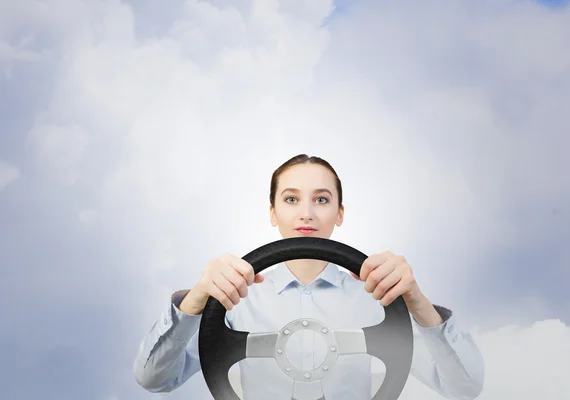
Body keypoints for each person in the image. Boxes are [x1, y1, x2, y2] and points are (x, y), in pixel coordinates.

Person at [133, 154, 485, 399]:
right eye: (290, 199)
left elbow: (464, 387)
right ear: (272, 213)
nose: (305, 213)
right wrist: (195, 300)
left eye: (321, 199)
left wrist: (417, 302)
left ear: (339, 213)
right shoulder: (237, 299)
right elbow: (153, 379)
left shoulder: (376, 301)